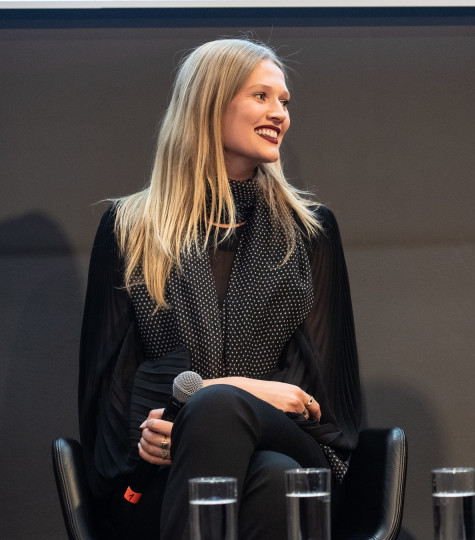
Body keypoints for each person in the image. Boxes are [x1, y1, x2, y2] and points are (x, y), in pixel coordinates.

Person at [78, 38, 362, 539]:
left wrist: (210, 396)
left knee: (229, 420)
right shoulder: (128, 228)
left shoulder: (310, 231)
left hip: (298, 449)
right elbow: (107, 395)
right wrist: (229, 396)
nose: (280, 113)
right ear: (209, 104)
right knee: (274, 482)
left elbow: (324, 403)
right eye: (261, 96)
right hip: (160, 471)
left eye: (284, 101)